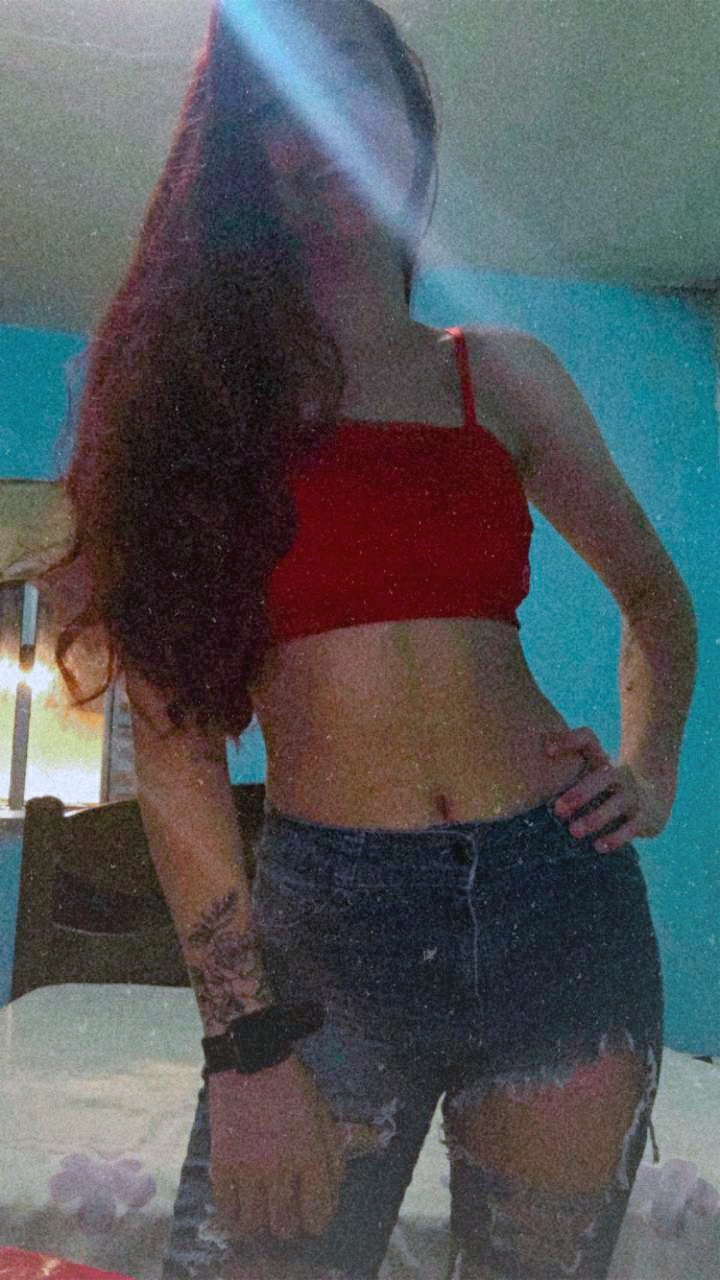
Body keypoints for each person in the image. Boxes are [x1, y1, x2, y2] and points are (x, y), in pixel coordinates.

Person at [47, 1, 698, 1277]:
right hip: (330, 931)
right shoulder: (196, 406)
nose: (318, 128)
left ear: (407, 114)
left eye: (350, 81)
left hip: (561, 906)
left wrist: (651, 768)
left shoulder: (503, 375)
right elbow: (174, 745)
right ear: (239, 159)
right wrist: (245, 1047)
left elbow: (657, 602)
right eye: (273, 109)